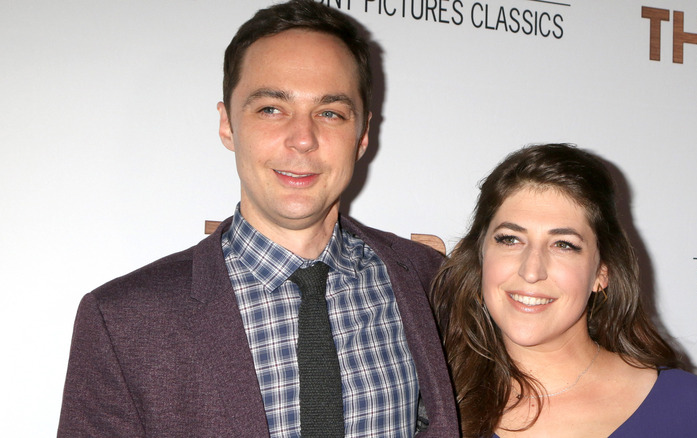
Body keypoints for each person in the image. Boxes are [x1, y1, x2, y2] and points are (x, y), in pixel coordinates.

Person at [57, 1, 458, 436]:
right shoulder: (123, 321)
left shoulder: (430, 281)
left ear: (362, 136)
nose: (303, 139)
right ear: (227, 124)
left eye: (330, 113)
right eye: (271, 108)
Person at [431, 144, 697, 437]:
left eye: (564, 245)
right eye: (510, 239)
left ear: (602, 272)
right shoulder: (434, 402)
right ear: (481, 256)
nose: (531, 270)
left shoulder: (684, 407)